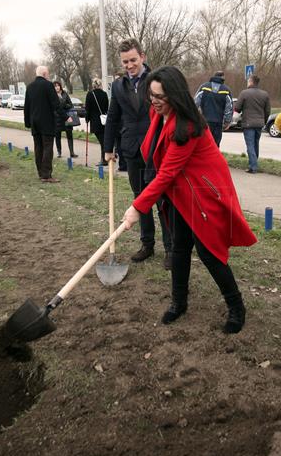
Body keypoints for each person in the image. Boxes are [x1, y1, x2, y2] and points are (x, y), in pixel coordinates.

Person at [122, 66, 257, 333]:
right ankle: (179, 302)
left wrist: (138, 207)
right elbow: (155, 155)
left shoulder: (189, 125)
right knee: (180, 247)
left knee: (209, 252)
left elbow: (167, 172)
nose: (154, 101)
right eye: (152, 95)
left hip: (202, 193)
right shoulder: (159, 113)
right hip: (179, 192)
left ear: (175, 95)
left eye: (160, 96)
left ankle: (236, 307)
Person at [103, 38, 172, 267]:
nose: (130, 65)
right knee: (140, 199)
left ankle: (170, 249)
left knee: (162, 201)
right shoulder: (118, 86)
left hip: (156, 149)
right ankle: (147, 245)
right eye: (125, 62)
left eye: (133, 60)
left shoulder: (156, 81)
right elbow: (113, 117)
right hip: (132, 150)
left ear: (142, 57)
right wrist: (108, 148)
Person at [24, 66, 62, 183]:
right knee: (47, 147)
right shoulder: (48, 85)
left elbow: (27, 107)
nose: (49, 75)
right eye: (48, 73)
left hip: (35, 122)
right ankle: (46, 175)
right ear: (45, 74)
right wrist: (65, 116)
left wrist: (27, 122)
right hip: (47, 122)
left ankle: (40, 173)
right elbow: (55, 104)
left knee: (38, 147)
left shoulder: (29, 87)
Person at [233, 74, 271, 174]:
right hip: (259, 123)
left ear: (250, 82)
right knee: (255, 144)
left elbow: (237, 108)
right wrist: (264, 121)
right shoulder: (265, 94)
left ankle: (253, 167)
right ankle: (254, 163)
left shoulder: (244, 93)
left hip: (248, 123)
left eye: (248, 81)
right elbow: (267, 111)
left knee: (250, 145)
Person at [194, 70, 233, 146]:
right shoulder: (226, 90)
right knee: (215, 144)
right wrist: (227, 121)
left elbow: (195, 102)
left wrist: (194, 117)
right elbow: (229, 108)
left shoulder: (204, 87)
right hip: (218, 122)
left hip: (205, 121)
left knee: (204, 144)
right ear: (223, 78)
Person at [84, 77, 109, 166]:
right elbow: (106, 107)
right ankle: (105, 158)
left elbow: (87, 109)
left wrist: (87, 119)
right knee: (103, 140)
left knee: (102, 141)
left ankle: (104, 159)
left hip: (95, 121)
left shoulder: (90, 94)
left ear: (93, 85)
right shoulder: (104, 94)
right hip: (103, 120)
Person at [53, 81, 77, 158]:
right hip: (57, 118)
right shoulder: (52, 95)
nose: (57, 87)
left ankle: (72, 152)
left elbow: (70, 104)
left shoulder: (65, 94)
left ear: (60, 86)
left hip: (67, 117)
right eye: (55, 86)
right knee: (57, 136)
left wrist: (63, 104)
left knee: (69, 135)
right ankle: (59, 152)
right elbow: (53, 107)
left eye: (58, 85)